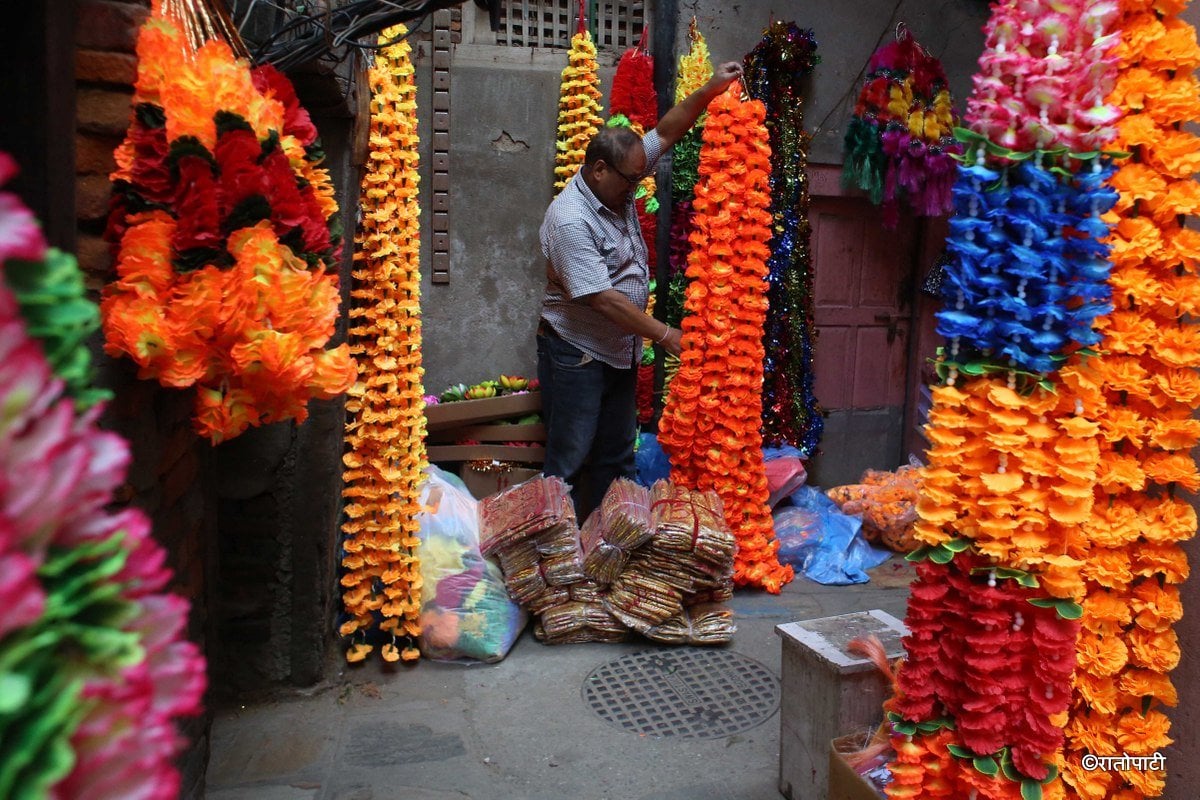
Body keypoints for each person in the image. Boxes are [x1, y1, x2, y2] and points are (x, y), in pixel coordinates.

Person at [537, 61, 744, 520]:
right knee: (568, 461)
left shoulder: (622, 174)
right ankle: (557, 558)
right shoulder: (571, 219)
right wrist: (665, 334)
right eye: (631, 180)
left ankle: (611, 545)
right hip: (579, 352)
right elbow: (603, 298)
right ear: (598, 170)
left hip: (619, 351)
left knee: (617, 458)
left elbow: (667, 131)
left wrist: (711, 89)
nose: (637, 187)